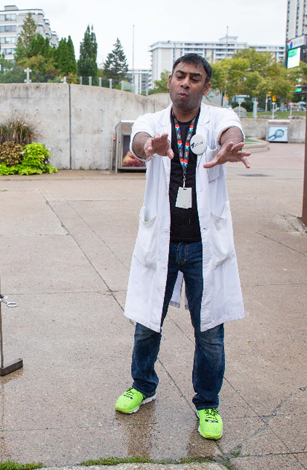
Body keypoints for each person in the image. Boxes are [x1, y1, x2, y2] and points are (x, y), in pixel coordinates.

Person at [115, 53, 250, 440]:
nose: (185, 83)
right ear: (170, 81)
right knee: (147, 324)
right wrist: (150, 146)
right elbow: (139, 140)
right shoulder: (154, 121)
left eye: (194, 78)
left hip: (204, 246)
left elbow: (231, 130)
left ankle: (207, 403)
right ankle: (143, 386)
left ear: (205, 87)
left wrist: (230, 146)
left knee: (209, 330)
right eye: (179, 76)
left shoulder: (217, 117)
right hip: (162, 242)